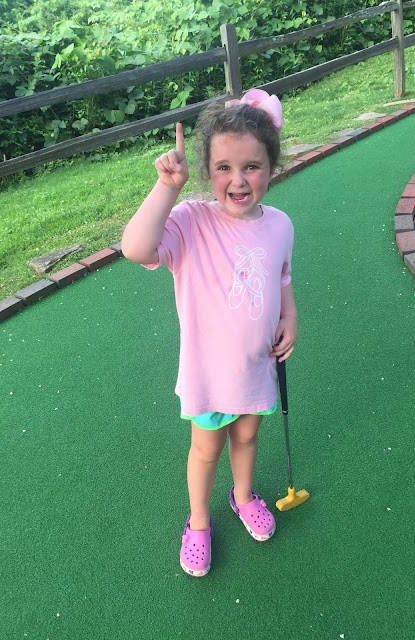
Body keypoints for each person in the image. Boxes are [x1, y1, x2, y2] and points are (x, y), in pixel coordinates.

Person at [122, 89, 298, 577]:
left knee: (247, 435)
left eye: (251, 166)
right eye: (223, 167)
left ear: (272, 166)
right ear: (206, 171)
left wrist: (290, 317)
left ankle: (242, 496)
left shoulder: (280, 225)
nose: (237, 180)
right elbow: (136, 248)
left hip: (257, 366)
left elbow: (282, 277)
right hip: (209, 376)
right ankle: (198, 521)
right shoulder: (190, 222)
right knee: (206, 449)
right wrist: (167, 188)